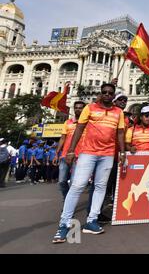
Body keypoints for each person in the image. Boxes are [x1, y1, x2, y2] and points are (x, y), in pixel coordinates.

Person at [52, 83, 126, 243]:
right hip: (88, 153)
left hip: (106, 155)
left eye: (110, 93)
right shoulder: (90, 108)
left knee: (100, 187)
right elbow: (79, 128)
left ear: (113, 96)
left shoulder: (118, 112)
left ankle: (91, 221)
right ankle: (64, 225)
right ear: (101, 93)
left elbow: (120, 132)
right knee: (77, 186)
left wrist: (122, 152)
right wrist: (71, 150)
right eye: (104, 92)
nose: (107, 95)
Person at [53, 101, 86, 200]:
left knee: (73, 182)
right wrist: (56, 153)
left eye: (80, 108)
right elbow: (62, 138)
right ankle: (66, 197)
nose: (78, 109)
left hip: (79, 156)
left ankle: (69, 203)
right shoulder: (67, 122)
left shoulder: (87, 123)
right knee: (61, 181)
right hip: (65, 155)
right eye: (76, 107)